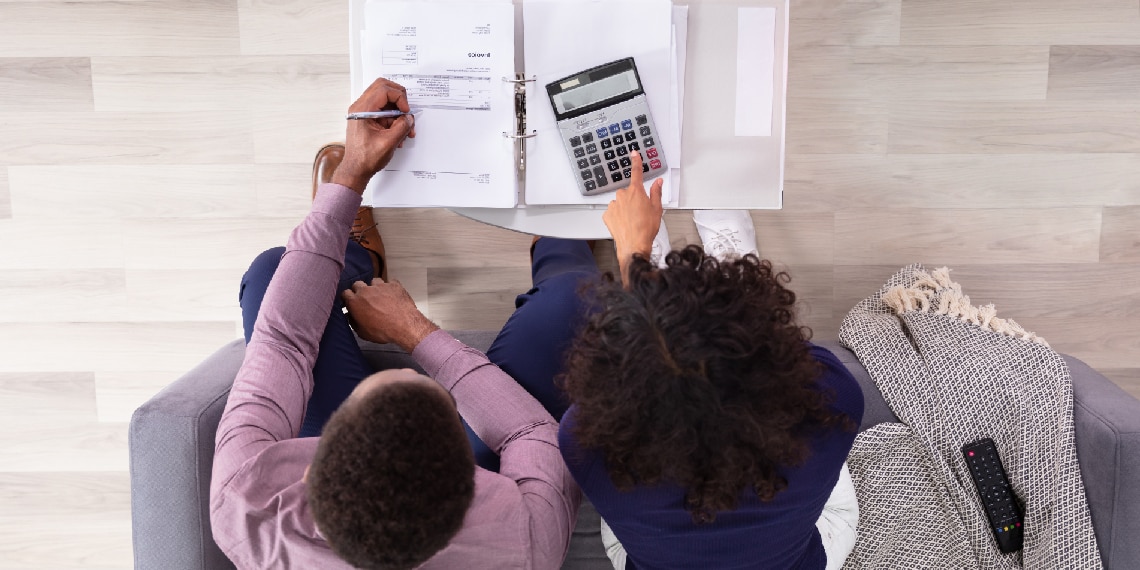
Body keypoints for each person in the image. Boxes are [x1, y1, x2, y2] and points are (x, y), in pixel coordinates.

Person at [209, 77, 585, 569]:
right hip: (481, 470)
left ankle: (359, 259)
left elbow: (281, 343)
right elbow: (529, 431)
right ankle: (558, 237)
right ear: (472, 495)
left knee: (271, 273)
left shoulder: (248, 503)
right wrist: (415, 332)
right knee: (570, 304)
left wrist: (352, 173)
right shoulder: (525, 542)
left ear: (308, 472)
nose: (407, 371)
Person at [557, 151, 866, 570]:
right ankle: (730, 263)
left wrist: (635, 259)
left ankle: (675, 277)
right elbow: (790, 349)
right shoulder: (835, 398)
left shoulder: (582, 441)